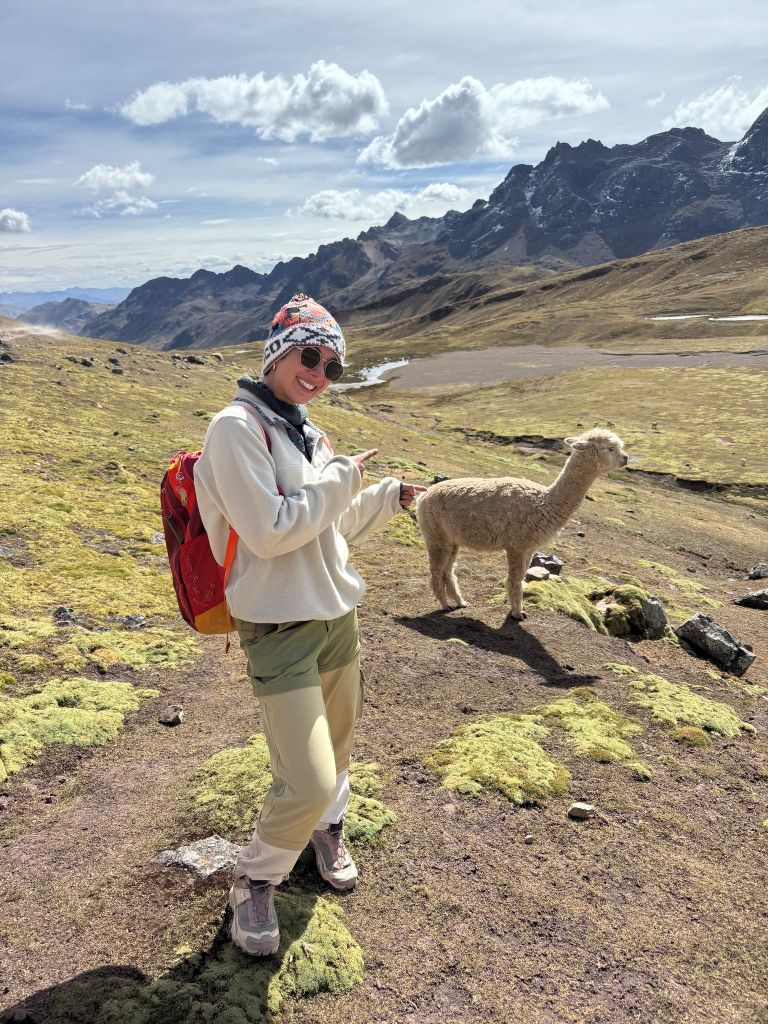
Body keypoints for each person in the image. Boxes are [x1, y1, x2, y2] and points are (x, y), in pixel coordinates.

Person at [195, 293, 425, 957]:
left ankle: (327, 830)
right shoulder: (236, 429)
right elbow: (268, 533)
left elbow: (330, 524)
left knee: (338, 753)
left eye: (333, 366)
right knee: (309, 772)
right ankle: (256, 878)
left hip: (336, 617)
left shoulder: (308, 431)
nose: (321, 374)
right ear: (278, 352)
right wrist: (340, 482)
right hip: (279, 625)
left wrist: (379, 495)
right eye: (311, 355)